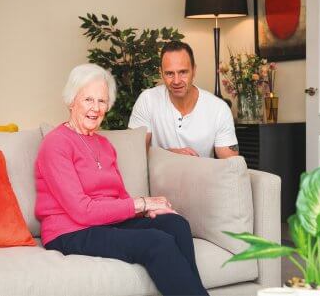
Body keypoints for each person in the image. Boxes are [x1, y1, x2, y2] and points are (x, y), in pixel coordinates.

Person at [35, 63, 209, 296]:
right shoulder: (56, 144)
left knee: (176, 224)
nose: (95, 108)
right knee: (156, 241)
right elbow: (82, 211)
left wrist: (150, 210)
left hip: (105, 223)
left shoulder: (104, 145)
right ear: (71, 101)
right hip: (69, 231)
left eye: (102, 101)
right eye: (88, 99)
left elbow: (120, 200)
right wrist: (143, 203)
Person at [128, 41, 239, 158]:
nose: (176, 81)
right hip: (159, 170)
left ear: (194, 70)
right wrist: (168, 155)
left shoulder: (219, 109)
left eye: (183, 72)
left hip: (201, 170)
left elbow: (231, 163)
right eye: (169, 73)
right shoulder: (147, 100)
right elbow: (134, 154)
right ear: (161, 73)